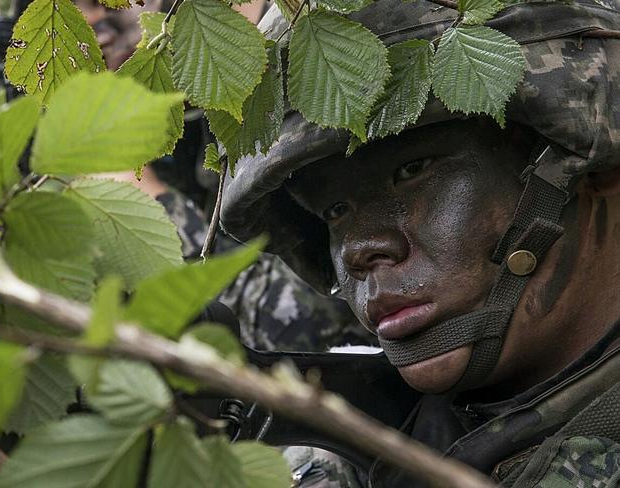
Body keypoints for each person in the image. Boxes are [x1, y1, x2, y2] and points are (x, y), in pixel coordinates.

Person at [219, 0, 620, 486]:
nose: (358, 249)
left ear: (589, 162)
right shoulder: (336, 450)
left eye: (412, 172)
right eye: (334, 212)